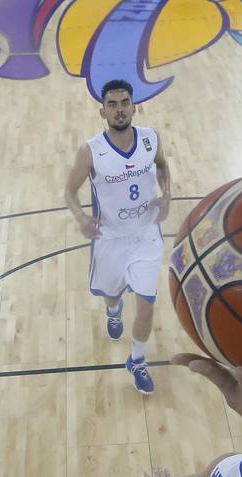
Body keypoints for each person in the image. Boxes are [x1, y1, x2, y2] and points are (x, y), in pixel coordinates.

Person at [64, 78, 171, 395]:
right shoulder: (90, 151)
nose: (120, 109)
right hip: (109, 239)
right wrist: (81, 216)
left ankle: (137, 359)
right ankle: (112, 309)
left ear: (134, 107)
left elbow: (163, 167)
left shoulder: (151, 140)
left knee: (146, 303)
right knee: (112, 295)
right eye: (112, 104)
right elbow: (69, 192)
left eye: (125, 103)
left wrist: (168, 195)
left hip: (146, 236)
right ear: (102, 111)